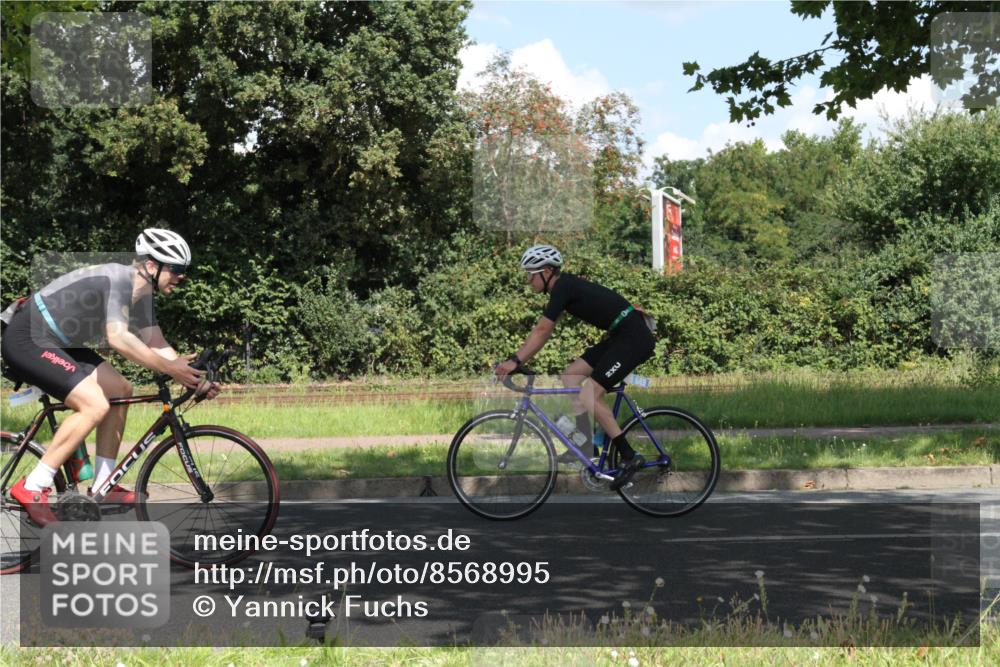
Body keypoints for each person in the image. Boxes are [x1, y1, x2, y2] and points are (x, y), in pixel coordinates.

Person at [1, 228, 219, 526]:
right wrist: (172, 369)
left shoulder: (142, 294)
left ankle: (103, 483)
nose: (183, 277)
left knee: (120, 389)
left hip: (60, 343)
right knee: (94, 404)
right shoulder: (117, 278)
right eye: (177, 269)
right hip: (29, 337)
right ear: (152, 266)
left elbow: (156, 343)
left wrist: (196, 379)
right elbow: (118, 338)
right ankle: (33, 485)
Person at [494, 244, 655, 491]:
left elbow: (541, 330)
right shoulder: (563, 289)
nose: (528, 280)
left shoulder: (563, 288)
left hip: (633, 338)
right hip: (621, 335)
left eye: (531, 274)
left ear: (546, 271)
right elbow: (544, 334)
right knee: (570, 377)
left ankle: (630, 456)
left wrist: (515, 361)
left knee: (589, 392)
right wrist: (519, 359)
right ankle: (586, 445)